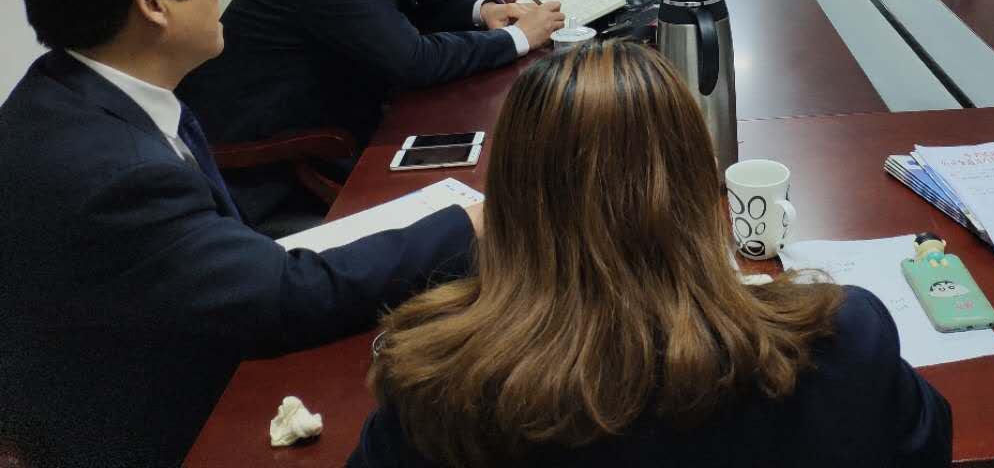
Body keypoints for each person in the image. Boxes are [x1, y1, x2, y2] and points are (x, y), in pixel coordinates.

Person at [0, 0, 483, 468]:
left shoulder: (80, 89)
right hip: (159, 425)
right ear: (153, 2)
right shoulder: (113, 172)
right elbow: (280, 298)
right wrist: (466, 226)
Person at [350, 42, 952, 468]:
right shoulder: (842, 340)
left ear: (508, 205)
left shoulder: (434, 388)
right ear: (703, 191)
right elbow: (925, 443)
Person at [178, 0, 564, 224]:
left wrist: (486, 9)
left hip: (341, 106)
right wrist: (517, 38)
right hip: (278, 159)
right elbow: (413, 61)